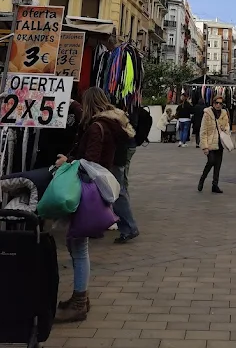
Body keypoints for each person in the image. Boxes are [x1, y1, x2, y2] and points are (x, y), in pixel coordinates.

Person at [55, 88, 137, 323]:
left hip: (85, 188)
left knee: (78, 246)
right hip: (95, 189)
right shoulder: (110, 124)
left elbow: (90, 161)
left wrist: (67, 161)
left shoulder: (96, 127)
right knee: (76, 244)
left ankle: (79, 301)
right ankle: (80, 296)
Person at [198, 95, 230, 193]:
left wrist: (225, 129)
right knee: (211, 161)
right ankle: (202, 178)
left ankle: (215, 185)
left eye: (220, 103)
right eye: (217, 103)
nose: (218, 105)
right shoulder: (207, 114)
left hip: (220, 143)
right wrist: (204, 146)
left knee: (218, 165)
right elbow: (203, 131)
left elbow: (227, 126)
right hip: (210, 143)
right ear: (213, 103)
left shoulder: (224, 114)